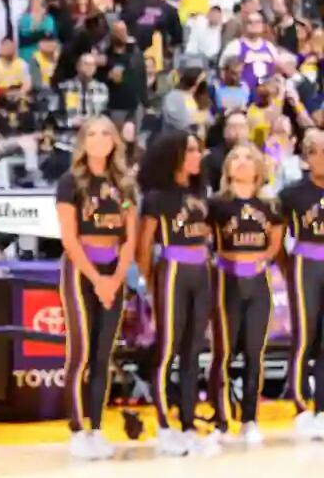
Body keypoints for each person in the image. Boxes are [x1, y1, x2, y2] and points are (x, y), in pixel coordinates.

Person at [55, 118, 138, 460]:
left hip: (113, 269)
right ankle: (77, 430)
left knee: (104, 354)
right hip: (80, 269)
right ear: (82, 141)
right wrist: (96, 279)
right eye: (91, 133)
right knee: (81, 352)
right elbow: (68, 237)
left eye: (106, 133)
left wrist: (115, 278)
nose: (99, 138)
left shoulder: (125, 184)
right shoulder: (70, 181)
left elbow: (130, 237)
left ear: (115, 141)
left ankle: (98, 427)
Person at [136, 130, 213, 457]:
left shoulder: (200, 193)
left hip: (202, 272)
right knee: (168, 349)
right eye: (191, 150)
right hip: (173, 272)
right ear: (174, 156)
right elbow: (143, 248)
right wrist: (150, 284)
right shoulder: (156, 198)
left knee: (194, 352)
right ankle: (165, 427)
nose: (198, 156)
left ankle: (188, 426)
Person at [207, 144, 283, 446]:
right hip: (226, 280)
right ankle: (221, 419)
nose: (241, 162)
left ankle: (250, 419)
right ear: (226, 167)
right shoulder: (216, 204)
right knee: (223, 353)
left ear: (259, 168)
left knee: (254, 353)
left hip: (258, 284)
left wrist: (263, 258)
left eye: (248, 157)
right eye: (235, 157)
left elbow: (275, 242)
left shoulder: (270, 205)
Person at [278, 132, 324, 439]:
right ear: (308, 157)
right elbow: (276, 237)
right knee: (304, 337)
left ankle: (322, 408)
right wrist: (288, 266)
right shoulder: (292, 194)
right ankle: (300, 406)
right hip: (305, 263)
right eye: (319, 151)